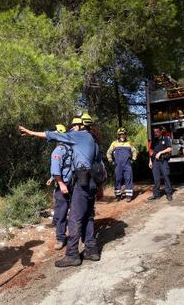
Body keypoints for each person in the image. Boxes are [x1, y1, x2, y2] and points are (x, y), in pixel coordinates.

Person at [19, 114, 102, 267]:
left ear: (81, 126)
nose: (72, 128)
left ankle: (72, 255)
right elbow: (99, 165)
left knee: (75, 218)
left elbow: (51, 134)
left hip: (82, 181)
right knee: (88, 216)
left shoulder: (78, 136)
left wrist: (30, 132)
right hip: (92, 183)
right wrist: (99, 187)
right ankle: (91, 250)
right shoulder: (94, 141)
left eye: (74, 125)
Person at [47, 124, 73, 250]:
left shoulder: (58, 151)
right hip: (71, 183)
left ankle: (60, 238)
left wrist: (60, 183)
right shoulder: (71, 148)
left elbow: (57, 169)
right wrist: (52, 178)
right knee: (68, 211)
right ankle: (66, 236)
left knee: (61, 212)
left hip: (63, 185)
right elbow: (61, 169)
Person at [106, 128, 138, 202]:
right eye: (120, 134)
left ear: (125, 134)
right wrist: (111, 161)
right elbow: (108, 152)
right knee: (118, 179)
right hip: (118, 165)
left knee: (129, 179)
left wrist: (133, 160)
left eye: (123, 134)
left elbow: (135, 151)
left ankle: (129, 196)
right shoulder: (114, 143)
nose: (122, 135)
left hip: (127, 165)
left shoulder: (129, 143)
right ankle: (118, 195)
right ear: (118, 135)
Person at [147, 127, 173, 201]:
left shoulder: (165, 139)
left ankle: (169, 194)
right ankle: (156, 195)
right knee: (156, 178)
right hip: (155, 161)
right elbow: (151, 151)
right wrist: (150, 160)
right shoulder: (154, 140)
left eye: (157, 131)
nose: (156, 133)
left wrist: (160, 152)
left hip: (163, 160)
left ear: (161, 132)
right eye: (155, 132)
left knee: (166, 176)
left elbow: (169, 149)